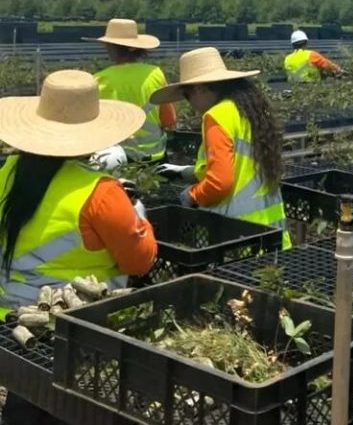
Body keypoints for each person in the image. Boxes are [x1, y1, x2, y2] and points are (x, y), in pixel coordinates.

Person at [0, 70, 158, 424]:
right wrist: (138, 214)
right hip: (79, 331)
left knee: (26, 403)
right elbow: (140, 261)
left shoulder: (9, 172)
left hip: (14, 326)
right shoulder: (101, 193)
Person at [152, 47, 291, 250]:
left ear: (199, 88)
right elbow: (242, 162)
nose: (190, 103)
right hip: (271, 232)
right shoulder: (248, 109)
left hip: (235, 235)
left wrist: (192, 196)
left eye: (187, 95)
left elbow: (220, 183)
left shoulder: (216, 116)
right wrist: (188, 173)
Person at [86, 18, 177, 166]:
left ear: (110, 47)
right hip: (155, 157)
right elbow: (169, 120)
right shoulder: (155, 74)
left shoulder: (98, 80)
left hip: (116, 160)